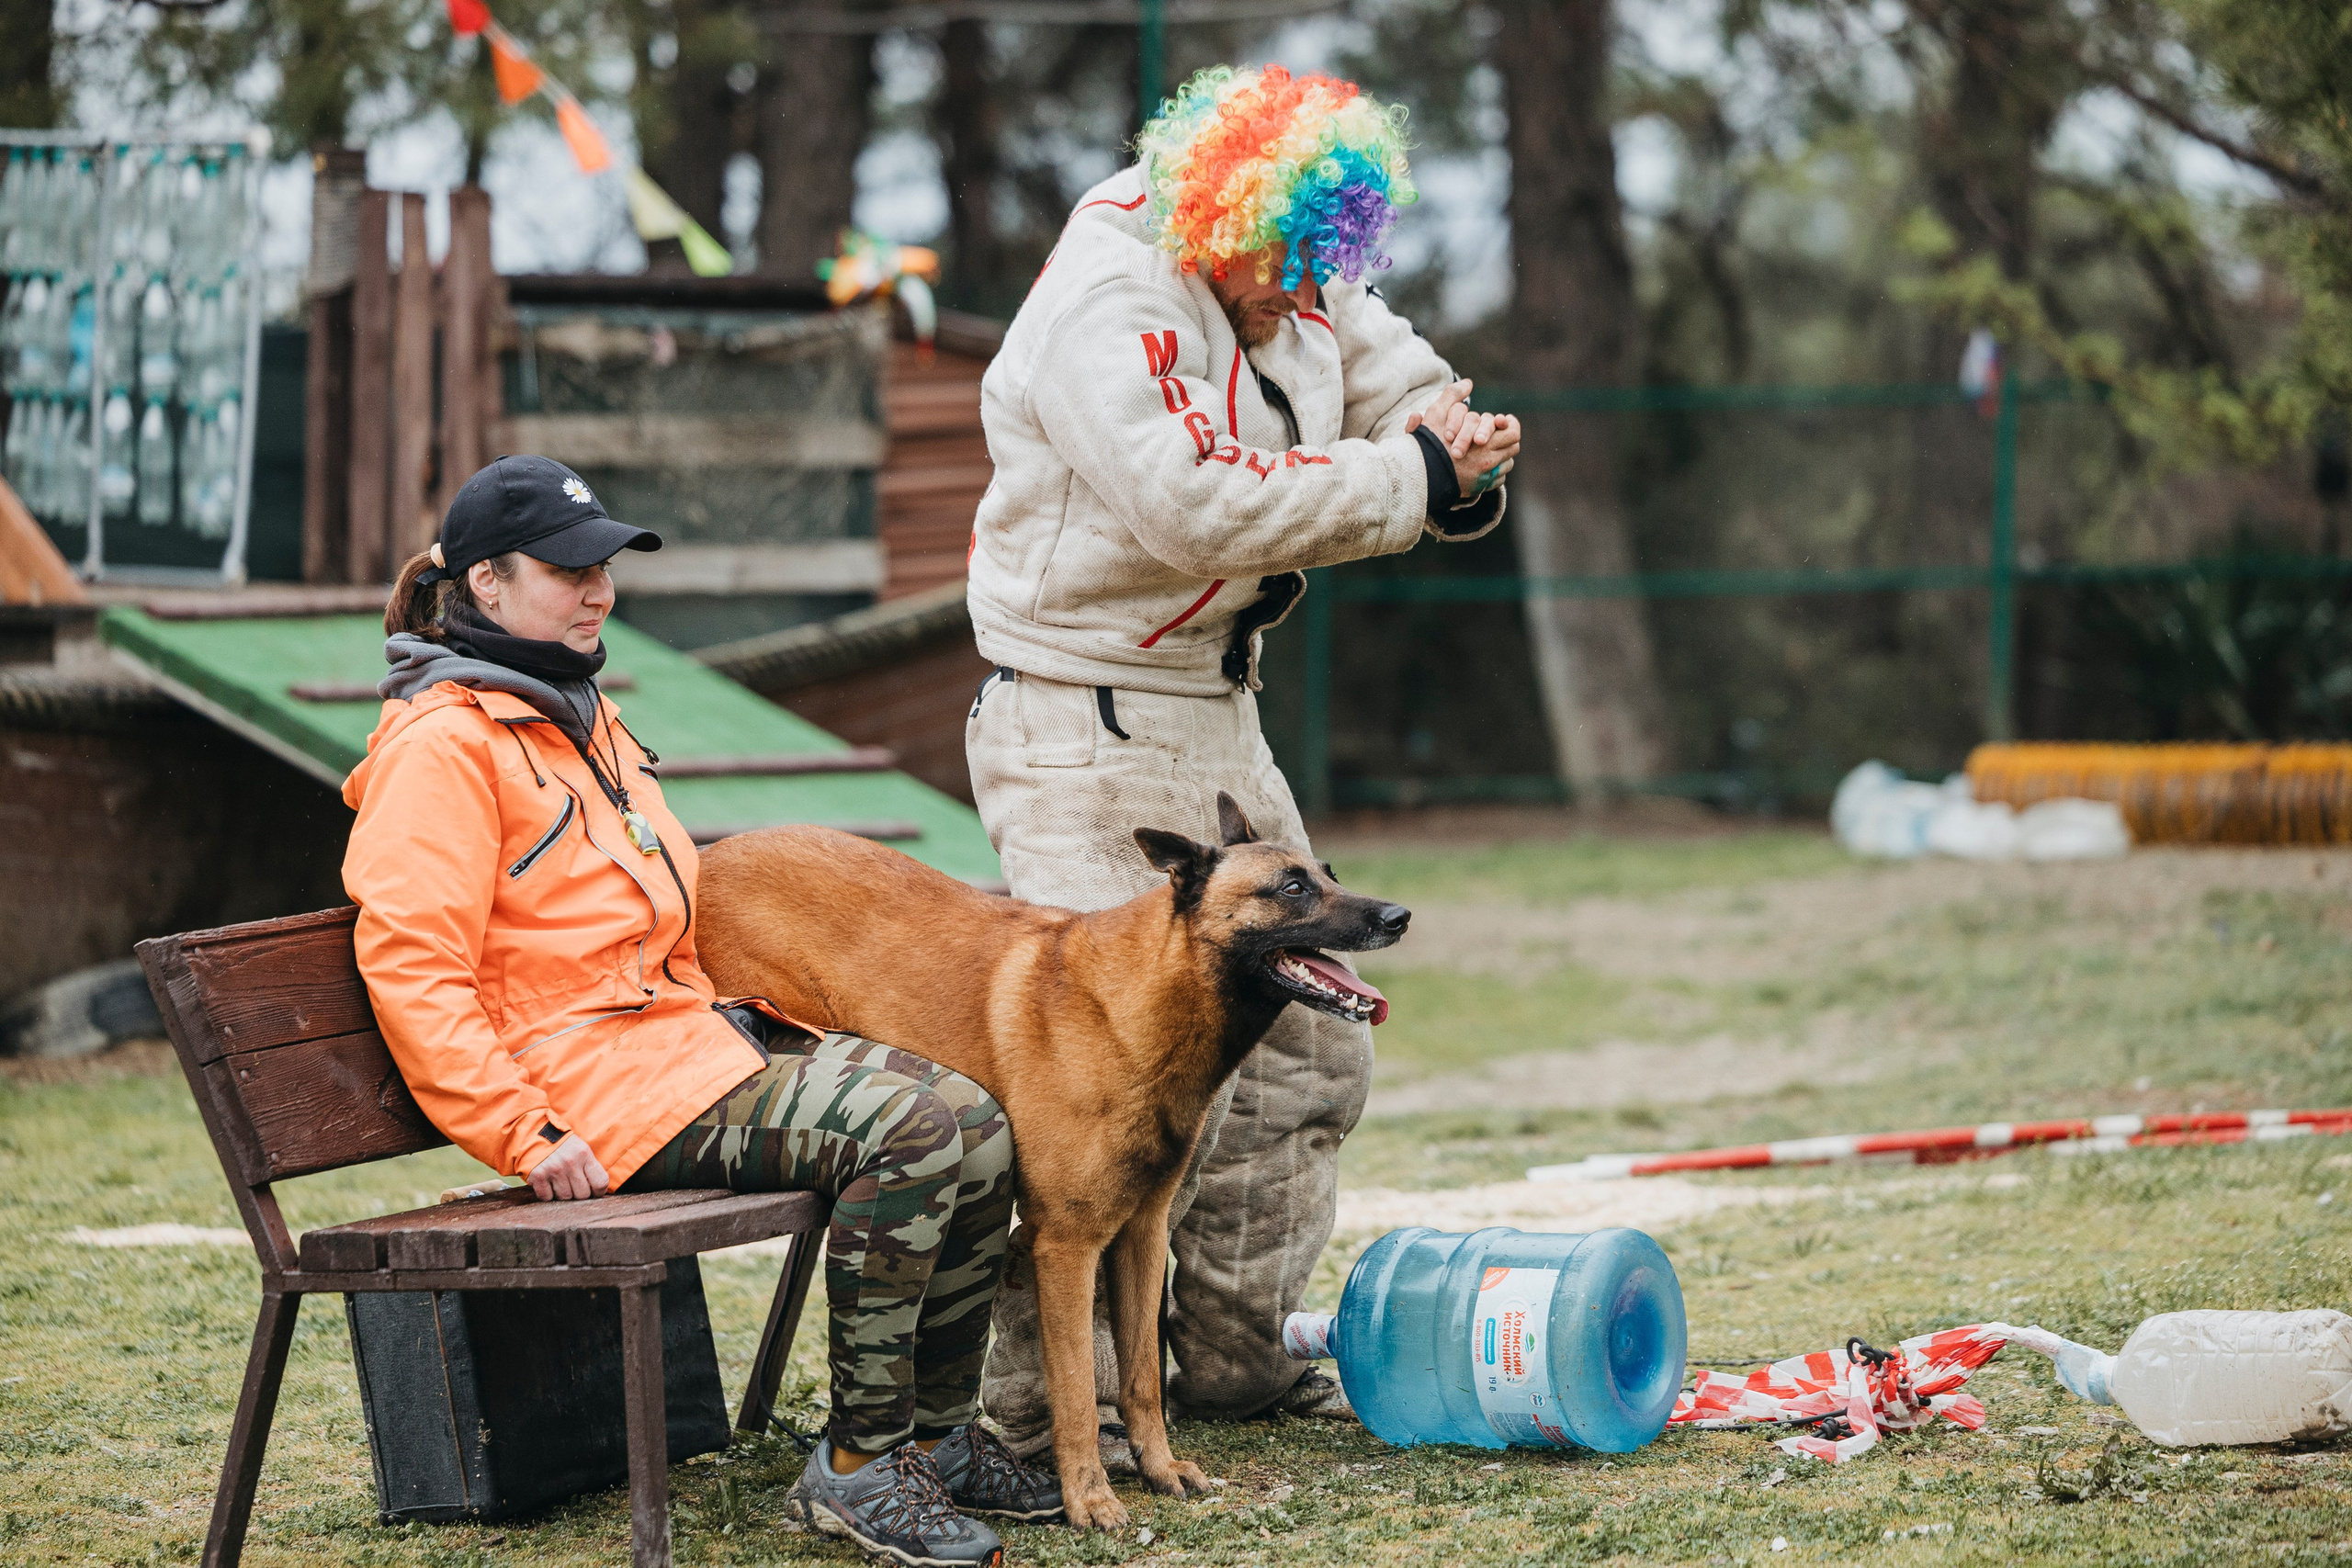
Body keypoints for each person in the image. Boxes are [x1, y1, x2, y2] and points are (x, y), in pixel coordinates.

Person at [342, 456, 1059, 1568]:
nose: (598, 590)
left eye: (606, 567)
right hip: (587, 1095)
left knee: (975, 1118)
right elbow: (410, 964)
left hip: (674, 1052)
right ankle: (863, 1470)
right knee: (919, 1132)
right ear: (485, 584)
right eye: (568, 568)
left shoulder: (579, 718)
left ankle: (936, 1435)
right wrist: (523, 1132)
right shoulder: (442, 746)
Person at [965, 62, 1524, 1457]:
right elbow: (1198, 503)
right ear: (1218, 222)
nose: (1305, 297)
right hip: (1082, 718)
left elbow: (1395, 376)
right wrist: (1412, 481)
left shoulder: (1288, 247)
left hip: (1214, 705)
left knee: (1303, 1061)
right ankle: (1044, 1422)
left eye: (1326, 268)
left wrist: (1461, 438)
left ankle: (1229, 1369)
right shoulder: (1110, 300)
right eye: (1289, 268)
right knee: (1102, 1091)